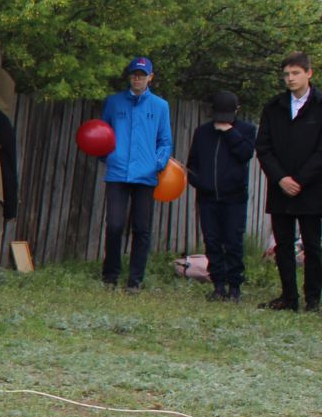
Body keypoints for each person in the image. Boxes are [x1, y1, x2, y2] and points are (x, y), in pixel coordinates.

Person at [96, 55, 173, 293]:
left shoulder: (160, 106)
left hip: (146, 175)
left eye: (141, 75)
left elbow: (165, 141)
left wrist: (157, 163)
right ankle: (110, 275)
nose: (137, 79)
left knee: (141, 228)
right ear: (129, 76)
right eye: (133, 75)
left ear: (150, 77)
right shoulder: (114, 102)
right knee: (115, 224)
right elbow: (101, 134)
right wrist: (108, 157)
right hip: (118, 173)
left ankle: (135, 280)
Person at [256, 51, 320, 311]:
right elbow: (263, 146)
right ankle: (288, 297)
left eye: (295, 73)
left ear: (309, 73)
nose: (290, 79)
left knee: (313, 245)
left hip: (312, 187)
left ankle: (313, 299)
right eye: (286, 74)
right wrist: (281, 178)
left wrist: (300, 180)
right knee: (283, 244)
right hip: (280, 186)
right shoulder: (274, 107)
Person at [185, 90, 258, 303]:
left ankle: (235, 287)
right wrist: (200, 182)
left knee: (233, 241)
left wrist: (229, 132)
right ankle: (218, 285)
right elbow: (192, 164)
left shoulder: (246, 130)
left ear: (237, 111)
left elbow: (245, 154)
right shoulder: (202, 132)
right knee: (213, 241)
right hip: (207, 197)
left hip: (234, 197)